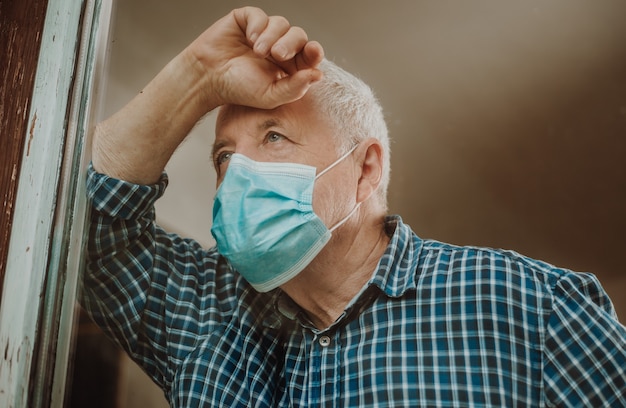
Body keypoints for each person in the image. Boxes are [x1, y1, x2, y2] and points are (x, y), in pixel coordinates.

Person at [82, 6, 626, 407]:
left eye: (273, 137)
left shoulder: (529, 308)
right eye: (224, 157)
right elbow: (85, 227)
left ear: (365, 169)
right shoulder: (204, 311)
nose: (237, 175)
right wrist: (198, 78)